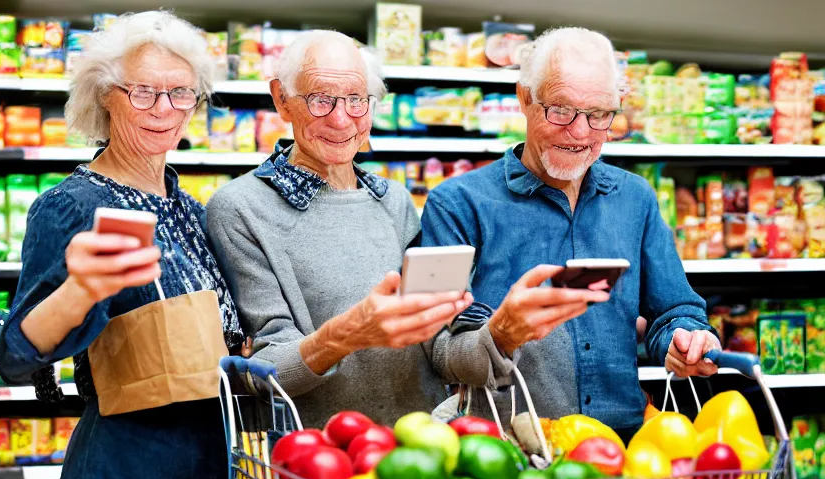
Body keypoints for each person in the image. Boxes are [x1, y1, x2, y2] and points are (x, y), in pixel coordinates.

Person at [206, 30, 606, 429]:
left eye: (357, 100)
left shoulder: (393, 202)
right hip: (319, 460)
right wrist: (345, 335)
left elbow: (439, 351)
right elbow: (260, 372)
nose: (342, 118)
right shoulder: (241, 209)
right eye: (321, 100)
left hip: (422, 451)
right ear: (281, 99)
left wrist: (501, 334)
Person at [0, 11, 240, 479]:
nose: (163, 109)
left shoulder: (192, 210)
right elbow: (15, 357)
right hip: (130, 476)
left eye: (180, 93)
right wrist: (79, 289)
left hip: (217, 470)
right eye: (143, 92)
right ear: (105, 97)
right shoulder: (74, 205)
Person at [420, 27, 720, 437]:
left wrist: (685, 339)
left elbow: (674, 311)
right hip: (508, 454)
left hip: (624, 449)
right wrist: (500, 335)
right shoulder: (454, 204)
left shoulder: (636, 199)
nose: (580, 133)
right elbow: (435, 348)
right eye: (560, 109)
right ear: (524, 98)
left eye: (599, 115)